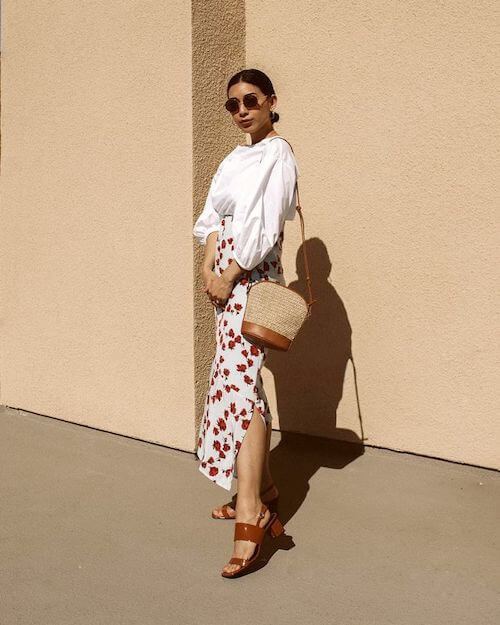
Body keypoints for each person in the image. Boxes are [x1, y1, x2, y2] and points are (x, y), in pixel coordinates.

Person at [192, 68, 300, 577]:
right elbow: (212, 217)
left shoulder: (278, 154)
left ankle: (253, 509)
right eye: (232, 104)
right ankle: (265, 491)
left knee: (240, 389)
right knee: (242, 385)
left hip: (249, 278)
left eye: (250, 101)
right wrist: (208, 265)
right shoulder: (234, 157)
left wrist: (231, 271)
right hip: (225, 279)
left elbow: (265, 226)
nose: (241, 111)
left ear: (271, 101)